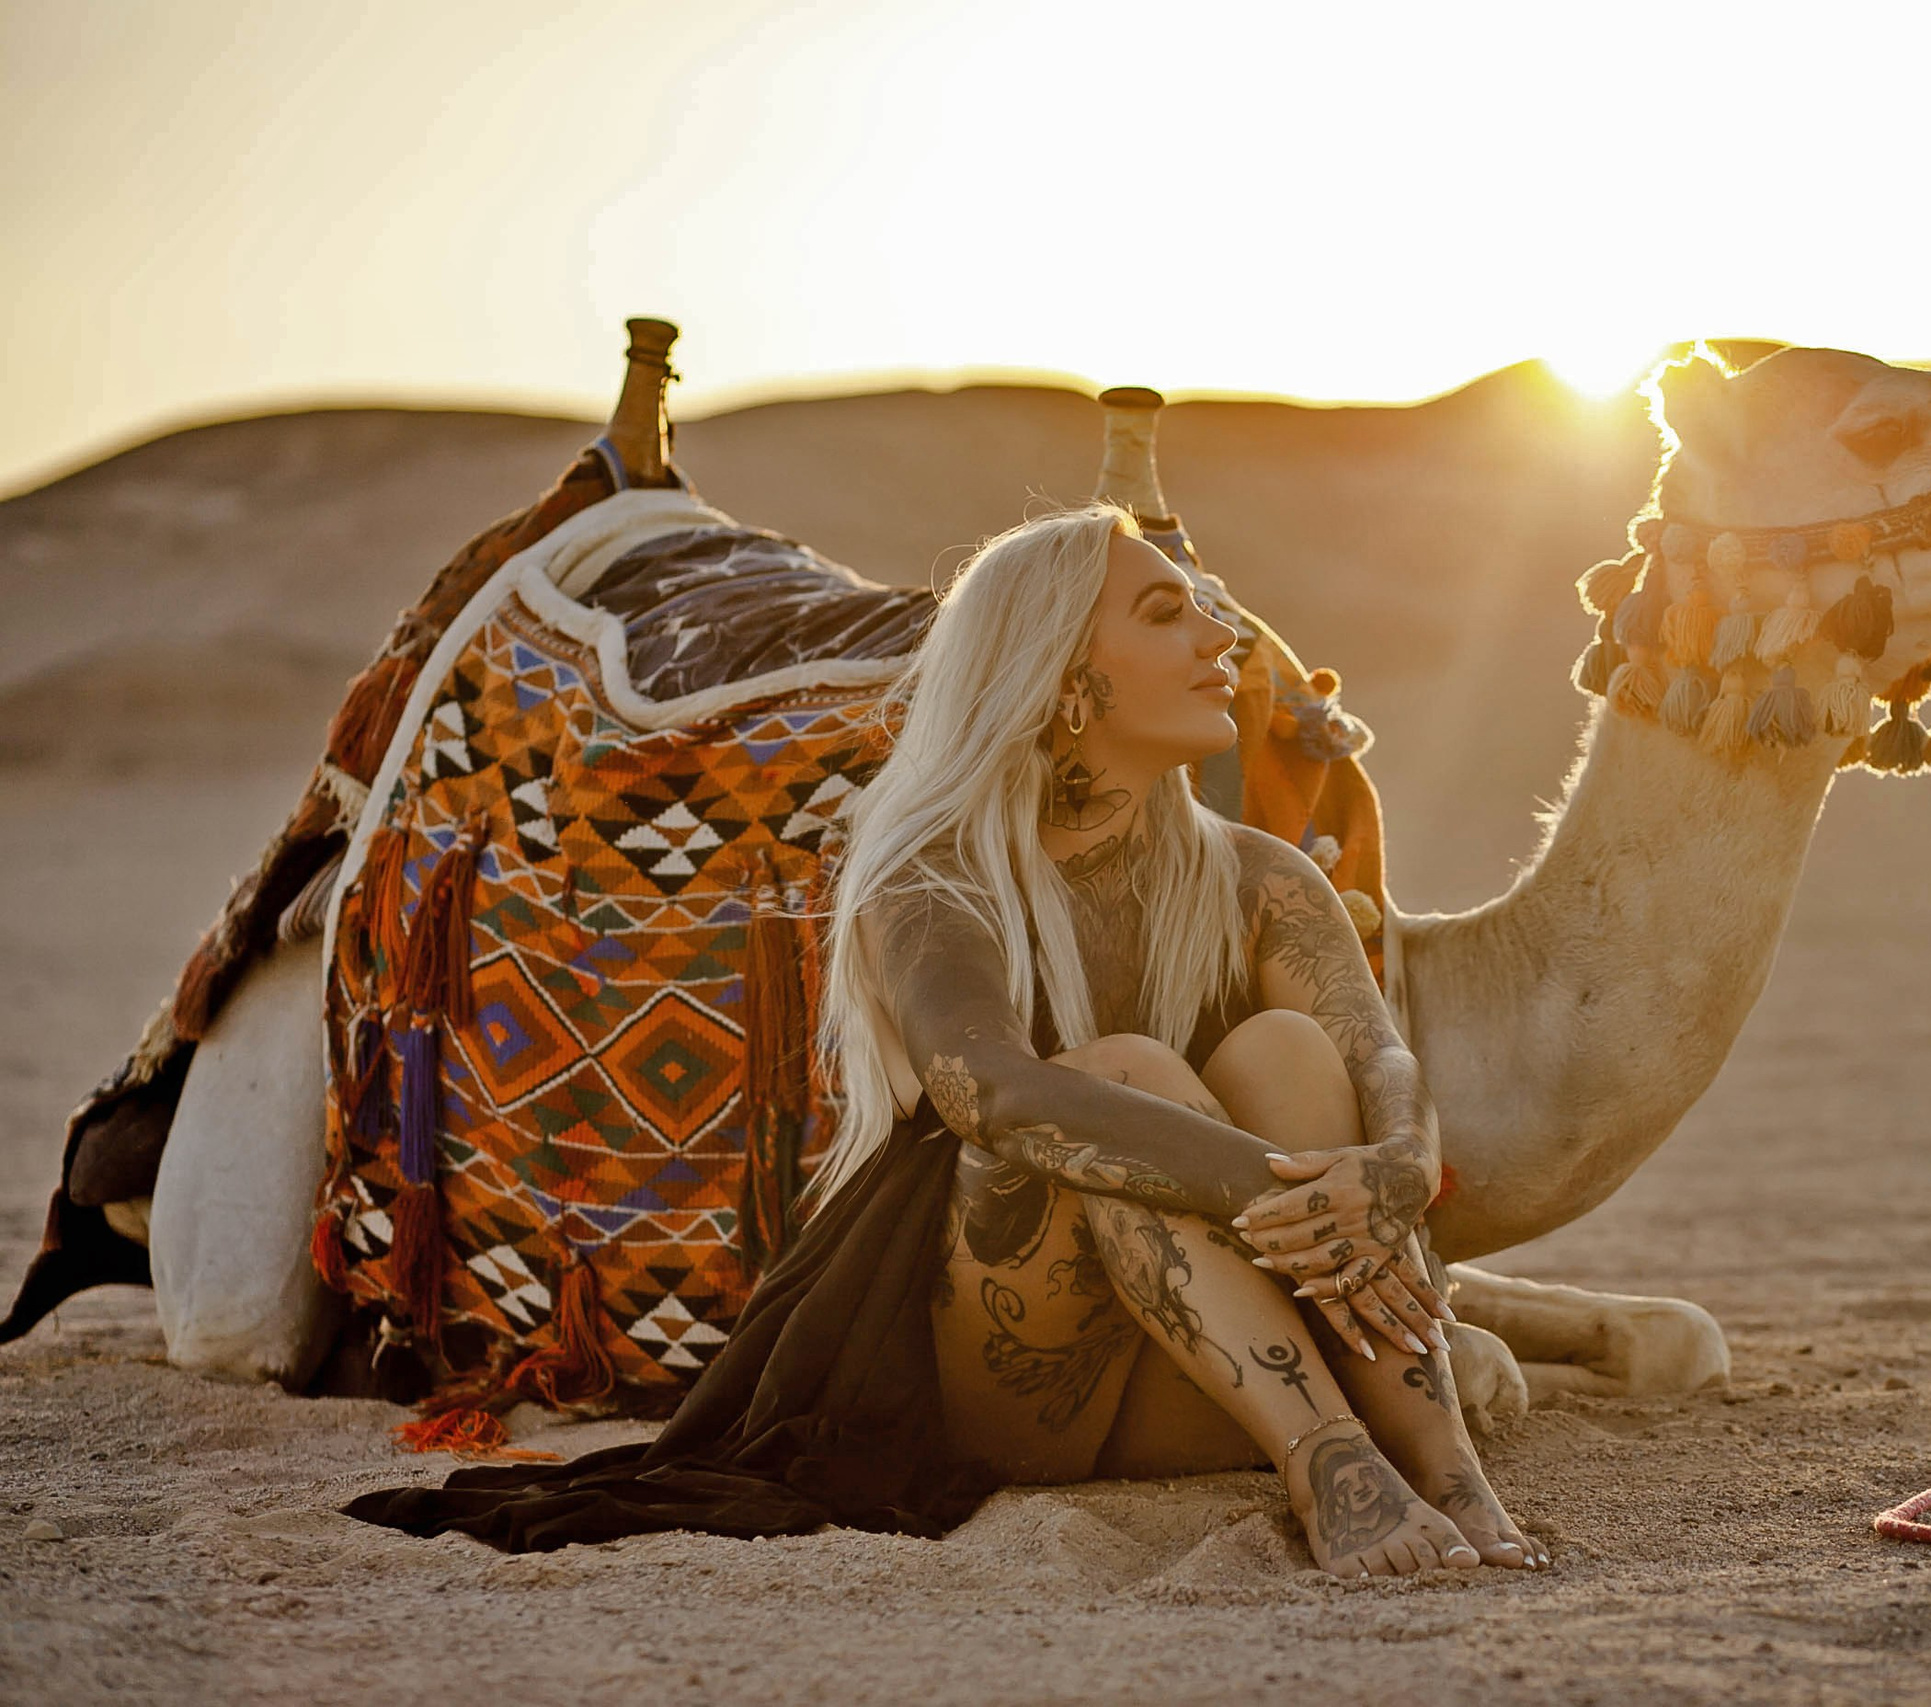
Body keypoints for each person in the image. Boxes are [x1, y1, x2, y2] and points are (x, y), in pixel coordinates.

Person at [348, 505, 1539, 1577]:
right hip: (1010, 1383)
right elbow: (991, 1095)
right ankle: (1330, 1465)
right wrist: (1288, 1195)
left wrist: (1387, 1167)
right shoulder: (933, 874)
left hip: (1209, 1378)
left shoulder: (1257, 877)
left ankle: (1445, 1472)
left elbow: (1378, 1055)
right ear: (1066, 674)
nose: (1221, 638)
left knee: (1288, 1046)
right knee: (1123, 1078)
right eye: (1167, 612)